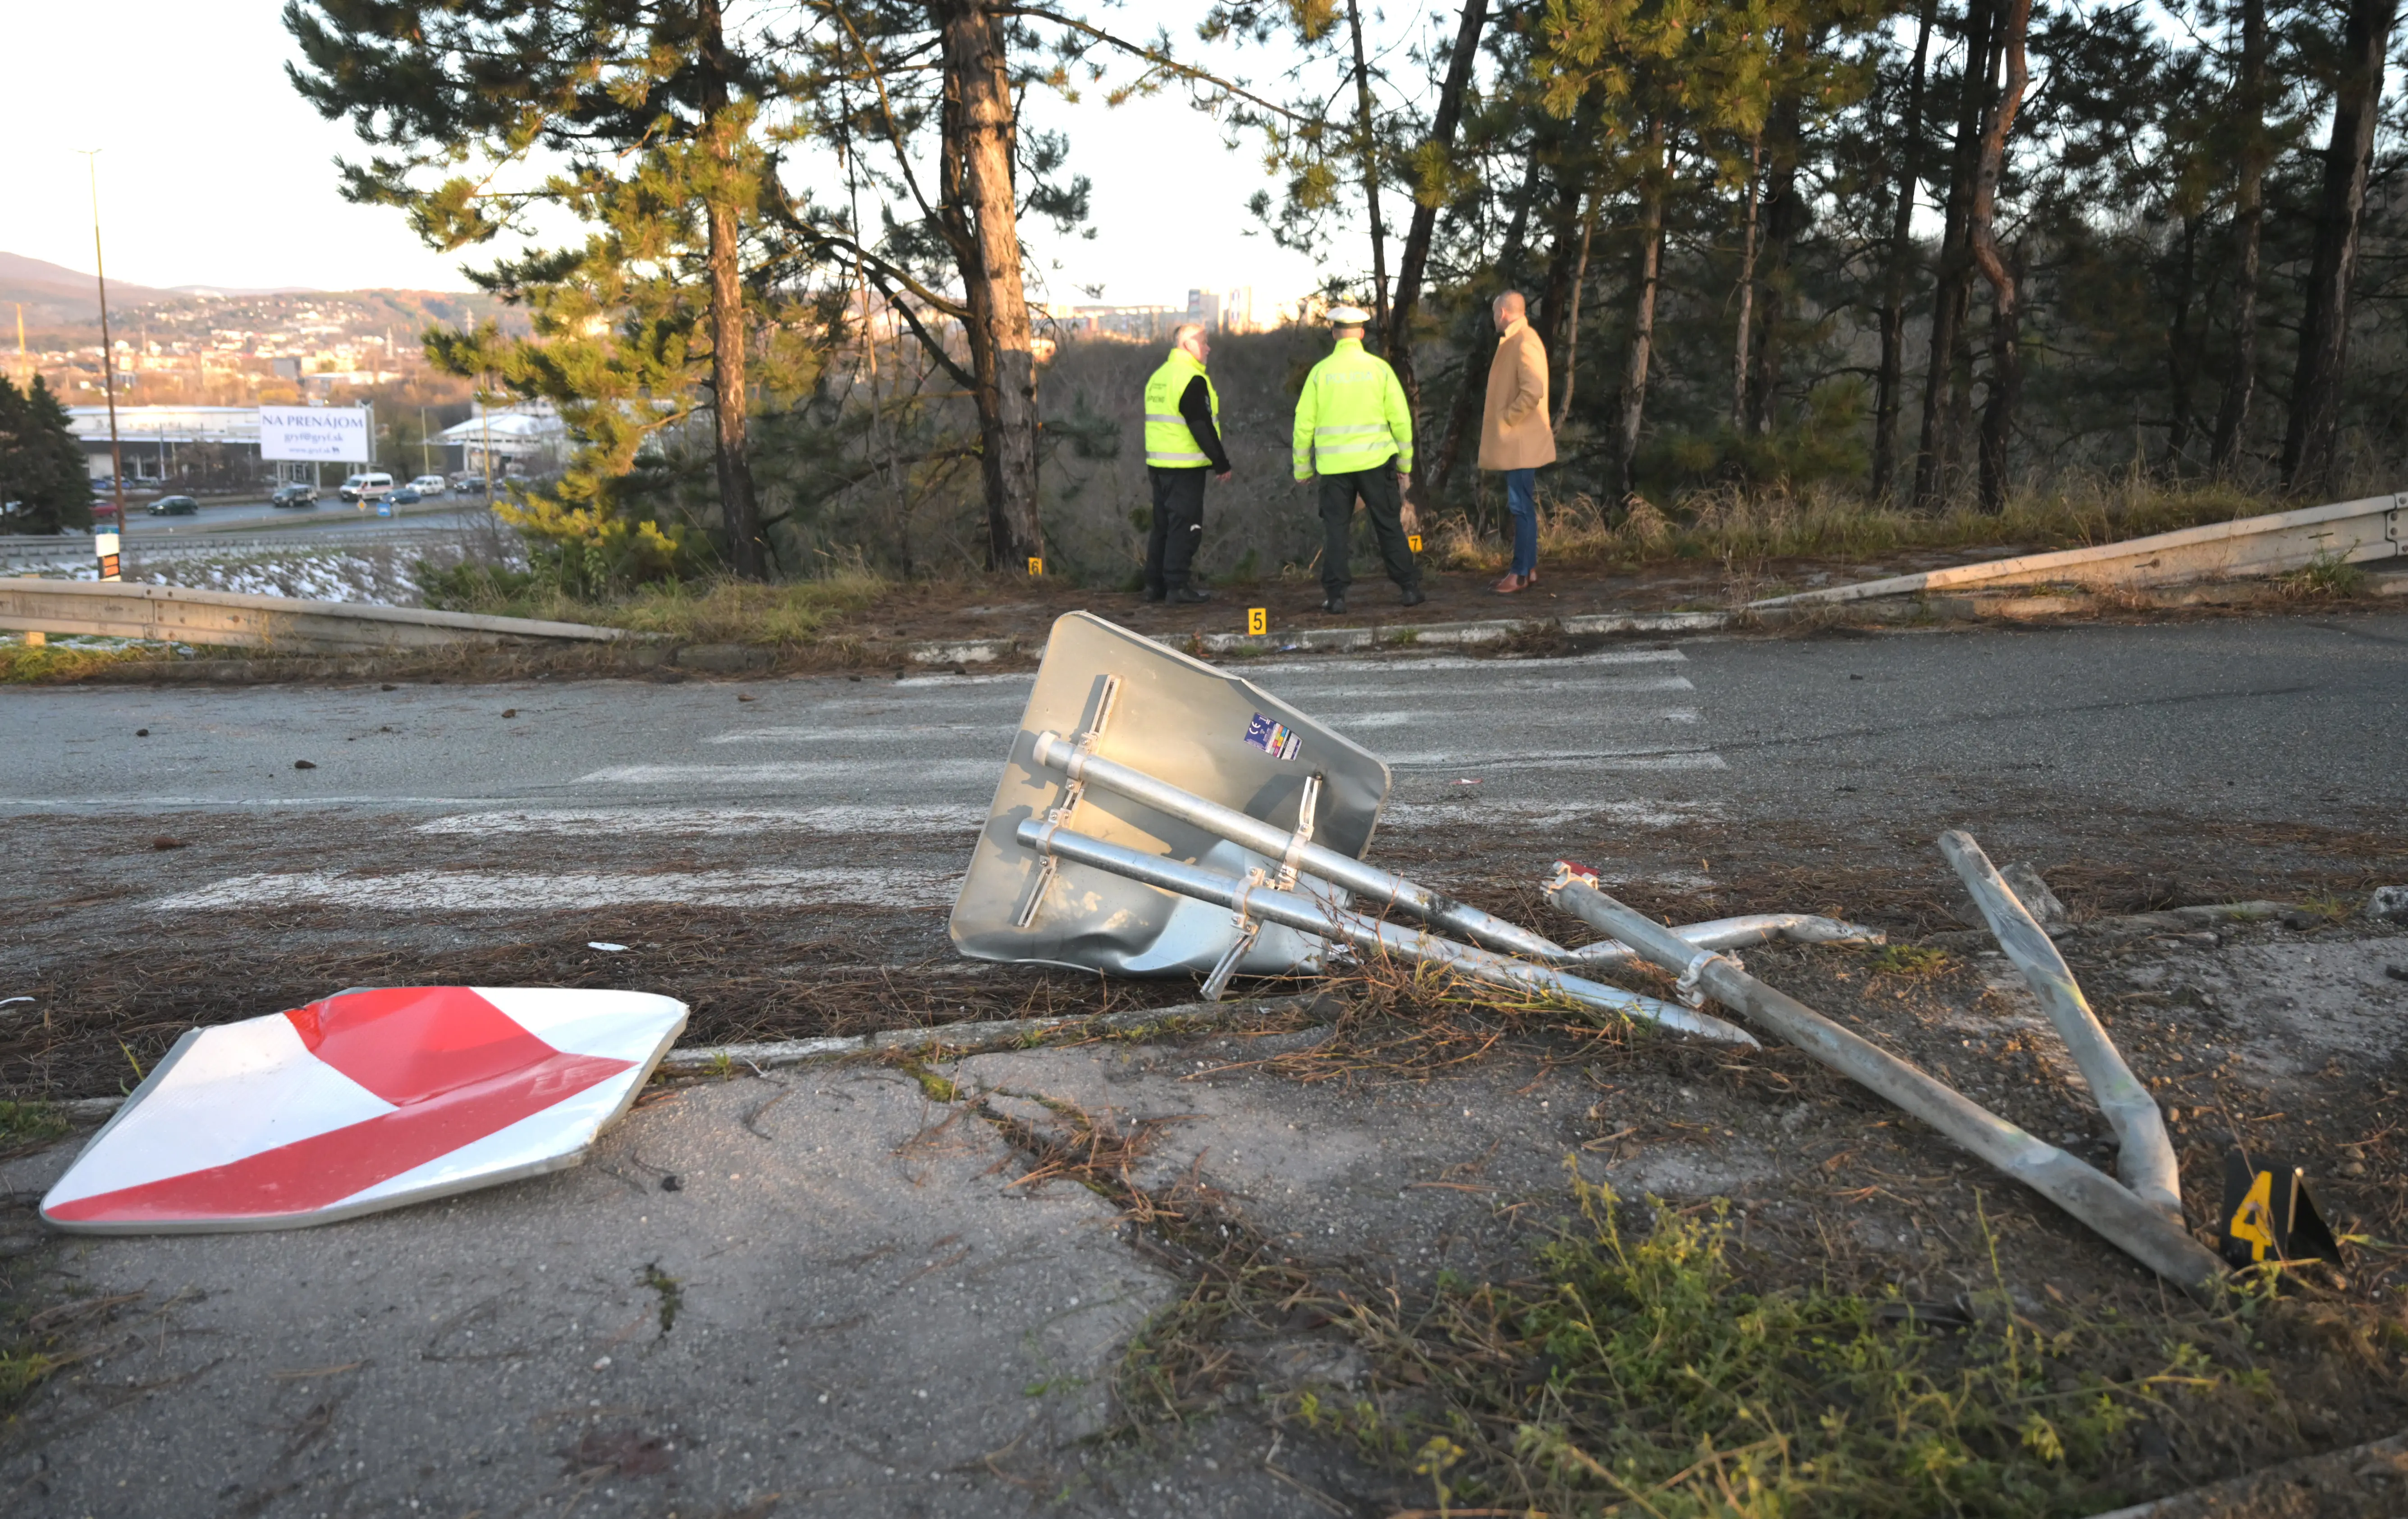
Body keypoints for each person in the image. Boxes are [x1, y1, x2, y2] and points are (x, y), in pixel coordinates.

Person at [1292, 304, 1424, 615]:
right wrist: (1405, 465)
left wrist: (1302, 468)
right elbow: (1401, 421)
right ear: (1362, 334)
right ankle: (1409, 588)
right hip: (1376, 463)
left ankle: (1336, 596)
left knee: (1336, 530)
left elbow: (1303, 424)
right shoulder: (1379, 370)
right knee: (1388, 525)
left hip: (1334, 468)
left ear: (1335, 333)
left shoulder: (1320, 373)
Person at [1140, 322, 1231, 603]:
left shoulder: (1159, 376)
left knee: (1163, 526)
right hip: (1184, 467)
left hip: (1158, 464)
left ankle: (1154, 586)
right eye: (1203, 342)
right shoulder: (1191, 378)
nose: (1208, 348)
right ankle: (1177, 587)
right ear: (1188, 345)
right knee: (1186, 527)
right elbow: (1200, 425)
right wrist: (1221, 462)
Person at [1478, 290, 1556, 594]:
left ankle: (1520, 574)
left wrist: (1507, 419)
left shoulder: (1524, 342)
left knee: (1520, 506)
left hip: (1521, 440)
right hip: (1519, 441)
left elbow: (1532, 390)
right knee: (1522, 505)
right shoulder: (1519, 339)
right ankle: (1529, 569)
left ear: (1503, 314)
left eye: (1495, 313)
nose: (1494, 318)